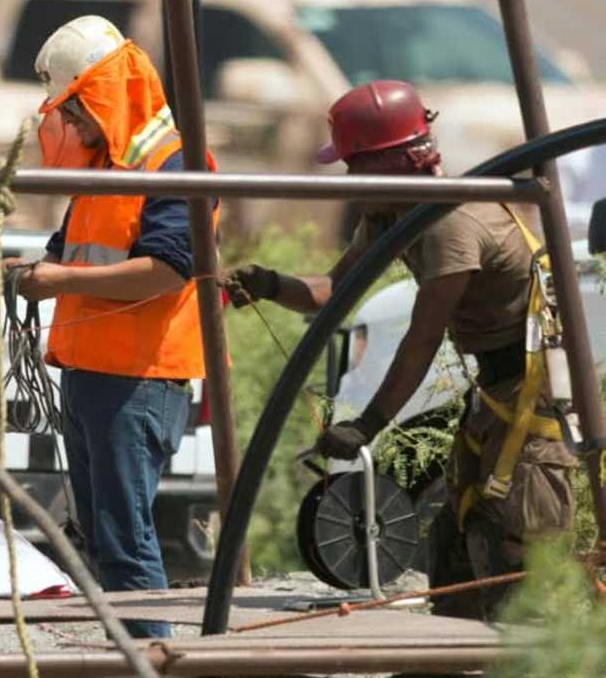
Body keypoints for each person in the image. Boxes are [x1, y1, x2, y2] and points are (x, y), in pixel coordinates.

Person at [227, 79, 576, 620]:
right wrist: (271, 284)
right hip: (496, 389)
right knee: (456, 540)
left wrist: (367, 426)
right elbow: (332, 291)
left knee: (520, 546)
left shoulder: (450, 222)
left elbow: (422, 337)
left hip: (533, 391)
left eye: (355, 165)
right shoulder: (393, 213)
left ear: (393, 164)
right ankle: (449, 655)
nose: (347, 180)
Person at [9, 15, 215, 639]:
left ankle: (150, 656)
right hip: (95, 373)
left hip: (138, 378)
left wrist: (58, 282)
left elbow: (168, 270)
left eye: (75, 111)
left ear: (103, 93)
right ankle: (129, 650)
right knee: (101, 534)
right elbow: (69, 249)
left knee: (125, 537)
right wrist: (35, 271)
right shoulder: (110, 165)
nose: (68, 125)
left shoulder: (173, 162)